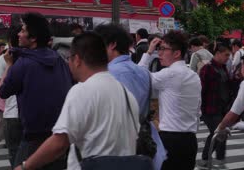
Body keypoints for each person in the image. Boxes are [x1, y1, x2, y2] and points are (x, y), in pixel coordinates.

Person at [14, 32, 139, 170]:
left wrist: (25, 166)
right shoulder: (127, 95)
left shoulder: (82, 90)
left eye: (69, 58)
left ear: (77, 59)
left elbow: (59, 143)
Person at [0, 13, 73, 169]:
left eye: (23, 30)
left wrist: (8, 65)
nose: (19, 34)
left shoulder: (23, 63)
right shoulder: (59, 60)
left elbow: (3, 91)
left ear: (33, 38)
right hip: (58, 138)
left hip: (32, 138)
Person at [94, 23, 166, 169]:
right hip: (145, 143)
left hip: (118, 148)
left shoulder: (109, 73)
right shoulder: (142, 72)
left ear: (112, 45)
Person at [139, 31, 201, 170]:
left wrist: (148, 53)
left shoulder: (169, 74)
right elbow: (198, 110)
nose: (159, 53)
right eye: (158, 49)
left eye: (163, 49)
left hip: (170, 139)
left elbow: (139, 76)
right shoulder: (194, 76)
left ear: (177, 53)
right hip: (190, 140)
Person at [198, 43, 232, 168]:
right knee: (217, 132)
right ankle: (208, 158)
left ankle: (219, 158)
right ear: (217, 53)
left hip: (222, 107)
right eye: (226, 55)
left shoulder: (223, 68)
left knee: (220, 132)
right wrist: (200, 108)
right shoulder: (207, 69)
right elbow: (201, 89)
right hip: (210, 108)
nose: (228, 57)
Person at [0, 25, 23, 168]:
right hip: (30, 114)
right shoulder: (35, 58)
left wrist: (9, 65)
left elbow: (1, 88)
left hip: (12, 113)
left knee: (14, 154)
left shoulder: (6, 57)